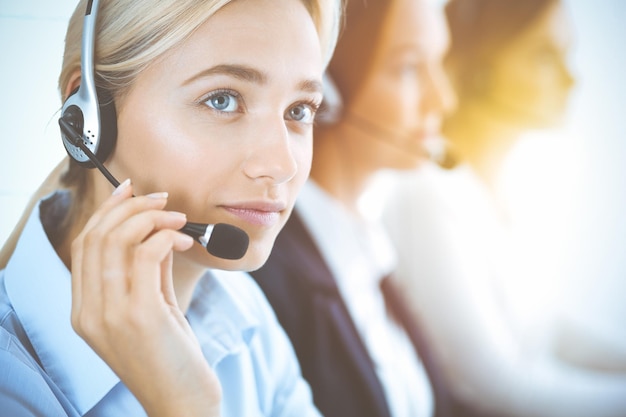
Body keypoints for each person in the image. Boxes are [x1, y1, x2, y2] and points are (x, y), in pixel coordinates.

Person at [0, 0, 341, 415]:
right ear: (88, 121)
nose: (282, 166)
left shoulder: (242, 315)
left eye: (298, 110)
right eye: (222, 100)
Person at [382, 0, 626, 416]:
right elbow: (494, 387)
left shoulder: (491, 188)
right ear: (478, 70)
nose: (571, 78)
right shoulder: (428, 194)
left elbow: (545, 330)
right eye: (544, 57)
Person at [251, 1, 457, 417]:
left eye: (441, 62)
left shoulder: (371, 241)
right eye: (409, 68)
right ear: (330, 88)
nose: (444, 99)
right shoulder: (269, 266)